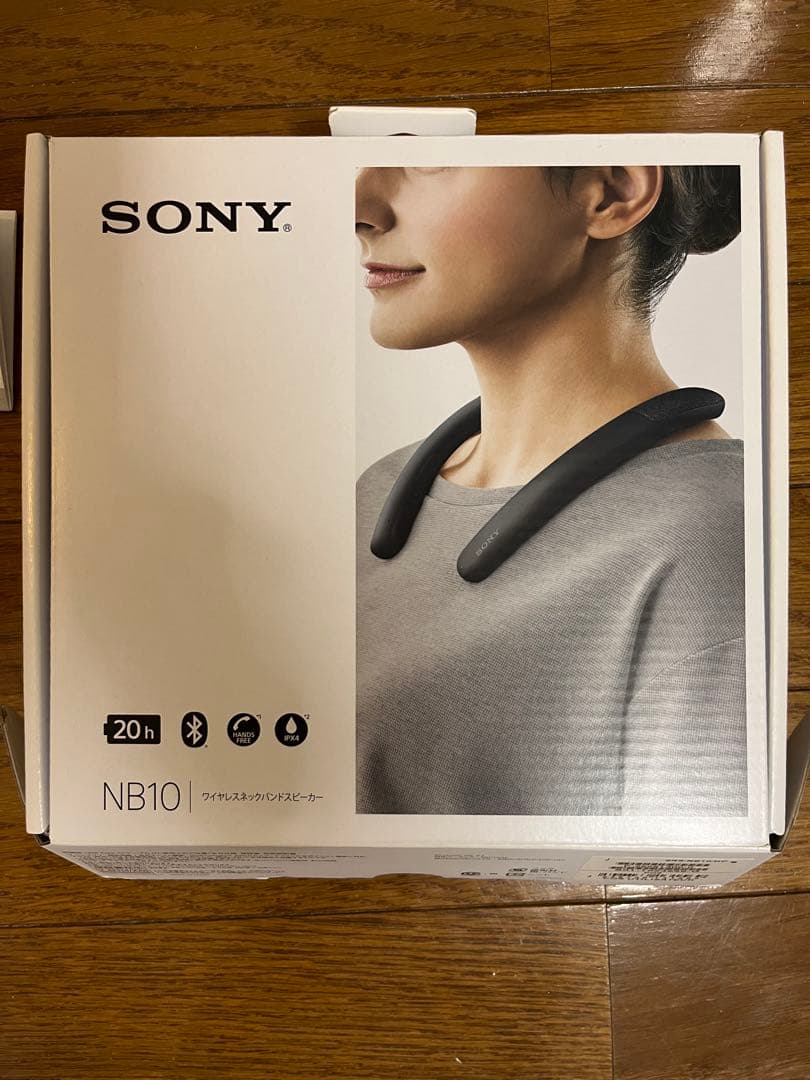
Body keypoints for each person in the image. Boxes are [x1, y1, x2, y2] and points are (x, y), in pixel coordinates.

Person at [354, 164, 748, 817]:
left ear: (612, 191)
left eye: (428, 162)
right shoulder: (375, 493)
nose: (361, 207)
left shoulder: (714, 538)